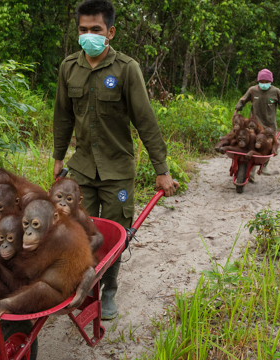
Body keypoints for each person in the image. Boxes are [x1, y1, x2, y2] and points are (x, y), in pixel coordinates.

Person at [52, 0, 178, 320]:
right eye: (83, 30)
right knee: (76, 230)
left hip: (117, 171)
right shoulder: (69, 67)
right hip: (80, 167)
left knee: (115, 233)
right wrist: (57, 158)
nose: (89, 35)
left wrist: (161, 170)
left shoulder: (126, 69)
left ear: (110, 31)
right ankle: (78, 285)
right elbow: (62, 118)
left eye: (96, 29)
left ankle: (107, 291)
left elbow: (145, 121)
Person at [233, 68, 280, 180]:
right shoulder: (253, 90)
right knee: (253, 144)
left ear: (270, 82)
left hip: (269, 125)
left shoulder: (276, 92)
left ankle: (264, 166)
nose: (264, 84)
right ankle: (251, 170)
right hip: (254, 124)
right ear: (258, 81)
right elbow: (242, 101)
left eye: (266, 82)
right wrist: (235, 113)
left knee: (268, 146)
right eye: (262, 82)